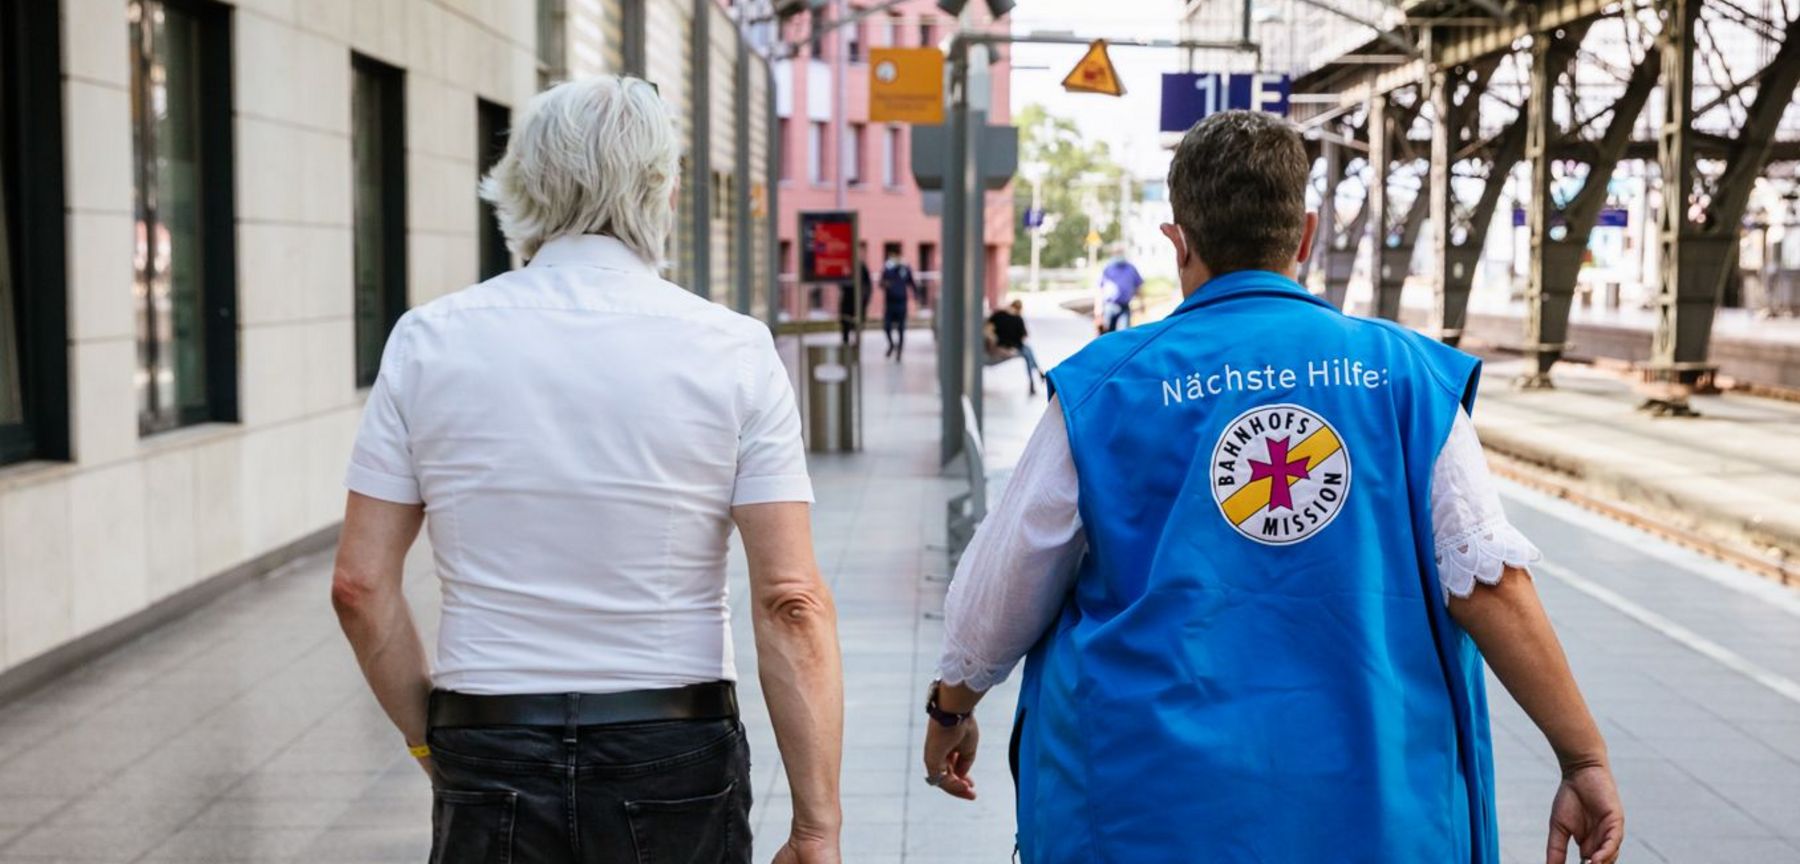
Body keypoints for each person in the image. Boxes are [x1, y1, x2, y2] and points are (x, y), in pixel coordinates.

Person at [921, 111, 1623, 863]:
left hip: (1146, 814)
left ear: (1178, 240)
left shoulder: (1107, 386)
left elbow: (1004, 586)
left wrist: (951, 710)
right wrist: (1582, 759)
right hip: (1372, 814)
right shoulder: (1407, 378)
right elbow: (1488, 583)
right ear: (1307, 234)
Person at [329, 76, 843, 864]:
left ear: (522, 185)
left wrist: (432, 745)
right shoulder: (732, 349)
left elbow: (360, 587)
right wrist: (816, 827)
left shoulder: (428, 341)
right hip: (671, 742)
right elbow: (792, 601)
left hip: (489, 735)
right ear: (662, 189)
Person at [986, 298, 1044, 396]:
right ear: (1019, 309)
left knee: (1028, 352)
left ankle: (1037, 377)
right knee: (1028, 353)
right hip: (1011, 348)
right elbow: (1024, 336)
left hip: (1002, 346)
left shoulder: (999, 315)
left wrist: (994, 340)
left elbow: (988, 329)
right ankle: (1036, 377)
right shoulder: (1018, 319)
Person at [880, 252, 917, 360]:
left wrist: (916, 295)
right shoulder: (887, 269)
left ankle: (899, 351)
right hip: (890, 303)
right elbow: (881, 283)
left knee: (901, 328)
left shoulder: (905, 269)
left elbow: (912, 283)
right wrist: (885, 284)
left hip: (901, 302)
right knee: (887, 327)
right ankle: (891, 344)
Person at [1095, 250, 1142, 333]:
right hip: (1109, 306)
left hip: (1124, 307)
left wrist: (1141, 303)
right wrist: (1098, 309)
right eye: (1117, 252)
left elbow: (1138, 286)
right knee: (1107, 334)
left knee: (1124, 334)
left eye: (1121, 252)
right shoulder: (1107, 269)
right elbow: (1099, 289)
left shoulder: (1131, 268)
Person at [839, 257, 871, 346]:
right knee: (845, 324)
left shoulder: (861, 266)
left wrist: (866, 298)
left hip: (859, 300)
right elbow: (840, 283)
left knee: (857, 326)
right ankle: (846, 345)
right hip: (847, 299)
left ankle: (856, 346)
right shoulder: (845, 264)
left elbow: (868, 283)